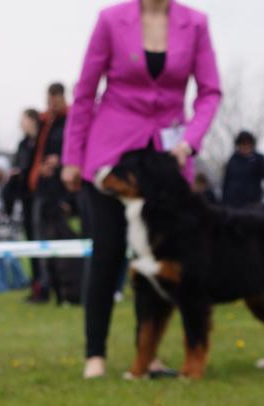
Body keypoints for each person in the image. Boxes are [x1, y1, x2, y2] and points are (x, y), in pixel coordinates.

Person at [62, 0, 222, 380]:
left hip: (167, 160)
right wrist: (72, 156)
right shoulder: (110, 19)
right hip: (112, 153)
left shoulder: (195, 23)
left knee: (159, 259)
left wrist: (191, 141)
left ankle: (147, 355)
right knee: (109, 252)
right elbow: (85, 92)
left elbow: (210, 92)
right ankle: (95, 354)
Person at [26, 83, 71, 304]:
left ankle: (64, 289)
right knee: (40, 242)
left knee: (60, 242)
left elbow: (73, 149)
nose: (51, 103)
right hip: (41, 190)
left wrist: (60, 161)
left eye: (55, 99)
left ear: (63, 97)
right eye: (49, 99)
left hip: (60, 192)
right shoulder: (45, 123)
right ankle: (43, 287)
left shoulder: (69, 121)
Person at [0, 155, 27, 292]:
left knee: (12, 260)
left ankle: (20, 283)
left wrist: (14, 223)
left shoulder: (11, 189)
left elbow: (17, 209)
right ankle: (0, 287)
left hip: (10, 231)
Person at [10, 108, 41, 290]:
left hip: (39, 199)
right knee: (32, 243)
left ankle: (45, 284)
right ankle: (36, 284)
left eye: (24, 120)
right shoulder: (23, 144)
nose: (21, 124)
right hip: (25, 200)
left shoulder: (40, 143)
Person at [222, 131, 264, 209]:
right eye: (242, 143)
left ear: (252, 144)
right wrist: (223, 202)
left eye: (248, 143)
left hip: (253, 205)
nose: (245, 146)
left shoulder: (258, 158)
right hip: (232, 205)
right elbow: (226, 181)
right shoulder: (233, 159)